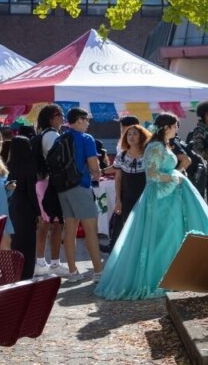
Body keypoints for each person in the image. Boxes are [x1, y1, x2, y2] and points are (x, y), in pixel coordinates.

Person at [95, 113, 208, 300]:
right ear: (166, 128)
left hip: (169, 198)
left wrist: (176, 175)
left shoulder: (162, 145)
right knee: (160, 239)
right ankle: (160, 278)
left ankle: (175, 276)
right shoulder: (155, 146)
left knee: (170, 238)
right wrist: (175, 176)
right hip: (159, 199)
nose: (177, 129)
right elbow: (153, 175)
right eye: (175, 126)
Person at [57, 108, 105, 282]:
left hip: (63, 188)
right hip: (80, 186)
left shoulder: (60, 138)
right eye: (86, 120)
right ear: (78, 120)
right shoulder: (86, 139)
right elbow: (94, 166)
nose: (88, 123)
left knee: (69, 230)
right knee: (90, 230)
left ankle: (72, 272)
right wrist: (97, 175)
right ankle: (99, 272)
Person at [104, 124, 151, 253]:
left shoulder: (148, 154)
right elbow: (118, 178)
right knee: (126, 225)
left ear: (141, 136)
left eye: (135, 133)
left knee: (143, 226)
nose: (131, 136)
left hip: (145, 197)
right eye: (129, 134)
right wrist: (118, 200)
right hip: (127, 197)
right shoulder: (122, 155)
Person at [33, 104, 66, 276]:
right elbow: (58, 161)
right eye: (59, 115)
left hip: (41, 183)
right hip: (50, 184)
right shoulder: (53, 135)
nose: (62, 118)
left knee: (45, 224)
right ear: (52, 118)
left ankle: (40, 262)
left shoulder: (42, 134)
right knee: (56, 224)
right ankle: (54, 263)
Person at [7, 136, 40, 280]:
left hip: (13, 206)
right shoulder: (30, 166)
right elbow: (32, 192)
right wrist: (38, 211)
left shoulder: (9, 166)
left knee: (16, 242)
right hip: (26, 207)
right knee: (28, 243)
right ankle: (26, 274)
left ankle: (16, 272)